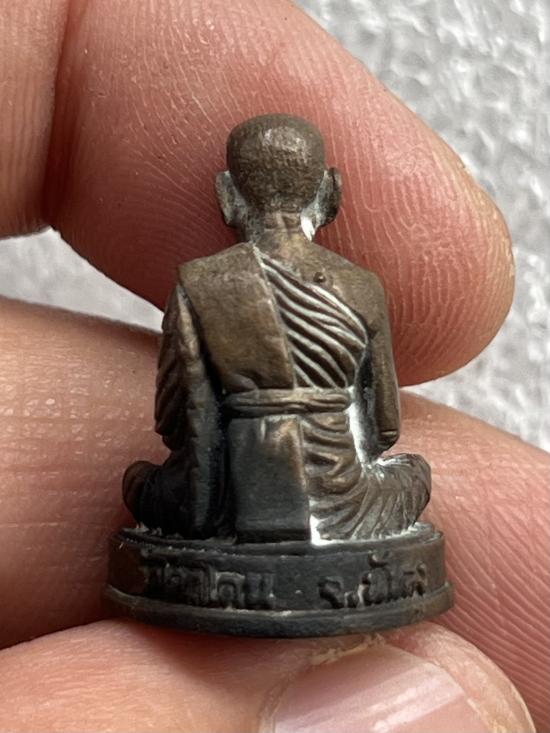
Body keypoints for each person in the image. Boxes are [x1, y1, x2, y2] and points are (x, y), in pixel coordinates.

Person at [0, 2, 547, 731]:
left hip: (229, 499)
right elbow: (383, 427)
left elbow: (182, 421)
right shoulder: (360, 286)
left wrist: (202, 497)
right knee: (413, 477)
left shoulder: (201, 283)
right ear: (330, 193)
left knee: (139, 486)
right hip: (346, 502)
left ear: (228, 196)